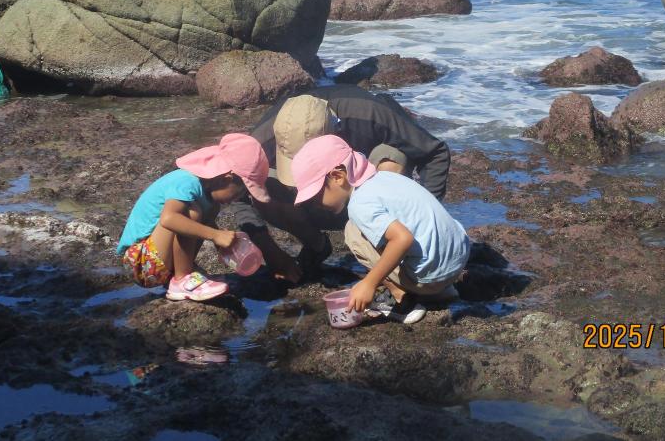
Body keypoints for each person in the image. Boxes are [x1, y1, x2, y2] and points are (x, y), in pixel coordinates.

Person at [234, 84, 452, 282]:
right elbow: (237, 193)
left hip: (369, 197)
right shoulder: (265, 138)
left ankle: (392, 252)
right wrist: (270, 250)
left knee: (391, 157)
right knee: (261, 184)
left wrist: (427, 220)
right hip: (312, 207)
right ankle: (316, 246)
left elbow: (434, 152)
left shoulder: (370, 113)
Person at [291, 135, 470, 324]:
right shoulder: (385, 177)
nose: (314, 204)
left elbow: (403, 239)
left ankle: (401, 299)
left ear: (337, 176)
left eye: (316, 195)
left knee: (353, 233)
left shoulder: (359, 204)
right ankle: (440, 290)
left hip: (431, 276)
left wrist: (369, 283)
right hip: (458, 259)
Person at [116, 133, 268, 302]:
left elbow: (204, 227)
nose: (236, 199)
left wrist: (223, 243)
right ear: (226, 179)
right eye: (239, 192)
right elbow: (169, 218)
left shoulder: (208, 197)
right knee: (191, 212)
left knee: (208, 211)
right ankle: (182, 279)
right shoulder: (187, 182)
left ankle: (180, 273)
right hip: (140, 263)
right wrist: (215, 235)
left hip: (158, 262)